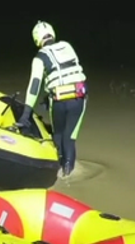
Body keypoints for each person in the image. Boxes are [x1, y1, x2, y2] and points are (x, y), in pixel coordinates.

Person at [19, 21, 87, 178]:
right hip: (79, 97)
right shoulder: (68, 46)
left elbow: (35, 85)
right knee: (69, 138)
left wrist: (26, 113)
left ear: (37, 39)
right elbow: (66, 73)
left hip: (58, 100)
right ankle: (69, 174)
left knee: (58, 135)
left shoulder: (39, 57)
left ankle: (56, 172)